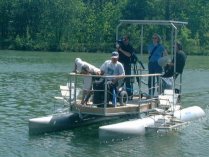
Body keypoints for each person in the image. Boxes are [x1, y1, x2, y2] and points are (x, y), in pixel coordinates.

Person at [116, 35, 135, 99]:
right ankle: (118, 93)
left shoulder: (130, 47)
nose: (124, 40)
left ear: (128, 40)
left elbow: (129, 55)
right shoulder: (120, 46)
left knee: (127, 79)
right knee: (119, 80)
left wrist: (121, 50)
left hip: (127, 64)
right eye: (123, 39)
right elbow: (116, 54)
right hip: (120, 64)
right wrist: (118, 48)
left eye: (125, 39)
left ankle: (129, 94)